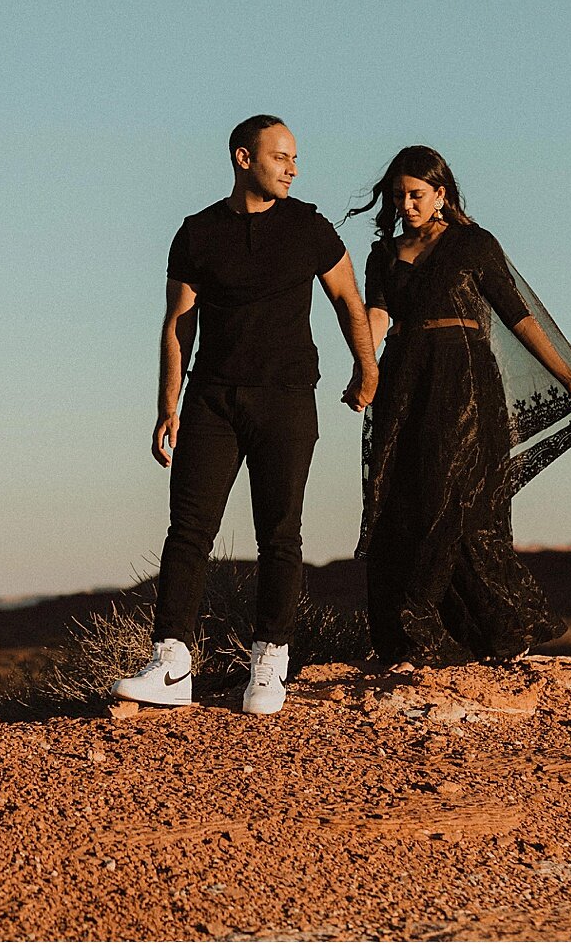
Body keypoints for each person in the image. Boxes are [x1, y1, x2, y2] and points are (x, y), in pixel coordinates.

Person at [111, 115, 377, 714]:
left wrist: (367, 369)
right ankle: (173, 662)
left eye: (295, 158)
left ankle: (269, 663)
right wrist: (167, 405)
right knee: (188, 531)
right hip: (212, 399)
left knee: (279, 535)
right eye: (281, 156)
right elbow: (179, 323)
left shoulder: (309, 227)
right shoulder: (197, 233)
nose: (293, 167)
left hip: (286, 398)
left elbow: (347, 301)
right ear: (243, 158)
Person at [345, 145, 571, 665]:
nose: (407, 204)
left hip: (463, 382)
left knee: (456, 501)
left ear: (441, 194)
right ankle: (417, 640)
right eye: (399, 196)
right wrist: (363, 370)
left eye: (417, 194)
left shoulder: (473, 245)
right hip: (404, 383)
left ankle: (477, 624)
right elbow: (376, 318)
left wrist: (567, 375)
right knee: (403, 502)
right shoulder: (383, 255)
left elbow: (518, 317)